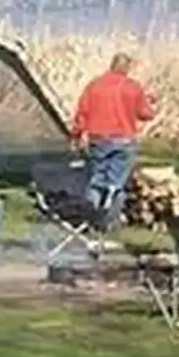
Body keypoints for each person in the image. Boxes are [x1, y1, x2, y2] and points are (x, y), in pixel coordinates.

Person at [71, 53, 156, 230]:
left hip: (98, 139)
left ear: (112, 65)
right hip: (124, 140)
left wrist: (77, 135)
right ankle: (109, 222)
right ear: (126, 68)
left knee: (96, 179)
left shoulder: (94, 85)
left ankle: (91, 219)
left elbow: (82, 113)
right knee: (115, 184)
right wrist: (150, 103)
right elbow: (146, 114)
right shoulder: (132, 87)